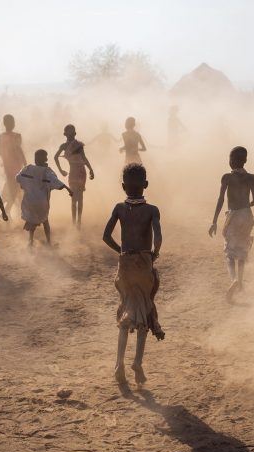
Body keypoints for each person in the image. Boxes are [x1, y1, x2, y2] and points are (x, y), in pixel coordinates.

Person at [103, 163, 164, 385]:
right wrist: (154, 254)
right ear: (145, 185)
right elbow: (158, 238)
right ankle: (137, 362)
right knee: (145, 309)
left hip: (125, 264)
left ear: (123, 186)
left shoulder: (119, 208)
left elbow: (105, 236)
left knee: (126, 313)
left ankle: (118, 364)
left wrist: (121, 250)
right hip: (144, 263)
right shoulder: (152, 210)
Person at [209, 147, 254, 300]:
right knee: (243, 248)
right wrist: (245, 208)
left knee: (229, 252)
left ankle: (234, 279)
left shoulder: (227, 178)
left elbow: (221, 199)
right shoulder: (251, 177)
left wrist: (214, 221)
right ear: (245, 161)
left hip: (234, 214)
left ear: (231, 161)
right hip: (247, 215)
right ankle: (241, 282)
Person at [17, 149, 72, 246]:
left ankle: (30, 241)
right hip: (42, 202)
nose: (47, 159)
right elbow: (55, 181)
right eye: (45, 157)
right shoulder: (47, 171)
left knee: (31, 219)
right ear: (43, 159)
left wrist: (24, 185)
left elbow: (18, 177)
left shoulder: (29, 168)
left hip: (30, 201)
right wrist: (68, 189)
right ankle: (49, 242)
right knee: (45, 221)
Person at [54, 124, 94, 229]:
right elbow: (55, 157)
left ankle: (79, 222)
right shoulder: (63, 146)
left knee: (79, 197)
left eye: (72, 132)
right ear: (65, 134)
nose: (70, 134)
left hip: (81, 171)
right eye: (68, 132)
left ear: (75, 133)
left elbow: (84, 158)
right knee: (73, 197)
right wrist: (61, 170)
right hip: (73, 172)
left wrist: (91, 169)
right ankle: (73, 222)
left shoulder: (79, 145)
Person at [0, 114, 27, 215]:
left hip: (9, 167)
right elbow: (19, 150)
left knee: (15, 190)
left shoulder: (2, 137)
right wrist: (25, 163)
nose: (12, 124)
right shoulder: (16, 136)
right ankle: (7, 211)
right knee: (15, 190)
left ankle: (10, 213)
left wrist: (6, 160)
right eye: (11, 122)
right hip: (15, 167)